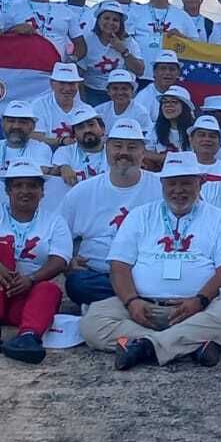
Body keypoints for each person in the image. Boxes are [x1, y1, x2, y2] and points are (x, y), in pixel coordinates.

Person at [79, 153, 221, 369]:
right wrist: (132, 302)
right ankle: (190, 343)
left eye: (186, 183)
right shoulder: (140, 215)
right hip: (144, 307)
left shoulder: (219, 218)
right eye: (172, 184)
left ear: (200, 183)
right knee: (93, 322)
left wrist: (200, 300)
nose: (179, 190)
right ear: (162, 184)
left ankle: (144, 345)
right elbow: (119, 266)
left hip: (200, 308)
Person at [0, 161, 72, 364]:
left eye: (32, 186)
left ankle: (28, 338)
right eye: (18, 186)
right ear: (8, 190)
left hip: (19, 296)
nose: (25, 191)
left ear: (42, 192)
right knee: (0, 250)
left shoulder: (55, 221)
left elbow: (60, 259)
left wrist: (31, 279)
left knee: (49, 290)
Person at [59, 120, 162, 306]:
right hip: (97, 274)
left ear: (142, 152)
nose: (124, 152)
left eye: (132, 147)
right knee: (77, 284)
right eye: (117, 146)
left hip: (145, 272)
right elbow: (59, 234)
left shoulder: (161, 187)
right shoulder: (82, 191)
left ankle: (122, 301)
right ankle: (137, 300)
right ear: (106, 148)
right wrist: (68, 260)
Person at [71, 1, 144, 105]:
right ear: (98, 20)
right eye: (106, 18)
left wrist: (123, 51)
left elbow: (140, 70)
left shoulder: (129, 42)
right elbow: (79, 75)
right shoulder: (88, 40)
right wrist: (83, 103)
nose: (110, 23)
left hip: (120, 91)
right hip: (93, 92)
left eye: (115, 20)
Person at [132, 0, 200, 73]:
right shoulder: (135, 11)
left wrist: (181, 37)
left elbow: (197, 46)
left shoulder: (182, 15)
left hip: (170, 76)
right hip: (140, 74)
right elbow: (126, 40)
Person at [0, 102, 54, 173]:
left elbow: (38, 175)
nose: (16, 126)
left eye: (22, 122)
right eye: (11, 121)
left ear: (32, 126)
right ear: (2, 124)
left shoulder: (41, 149)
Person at [31, 63, 94, 149]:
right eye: (62, 83)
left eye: (71, 83)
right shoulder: (39, 105)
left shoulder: (87, 110)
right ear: (52, 84)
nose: (67, 88)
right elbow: (35, 138)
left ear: (77, 85)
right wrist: (61, 141)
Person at [51, 107, 108, 185]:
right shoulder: (65, 151)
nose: (87, 130)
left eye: (91, 125)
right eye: (80, 127)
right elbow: (57, 167)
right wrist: (63, 167)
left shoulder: (114, 151)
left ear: (103, 129)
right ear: (74, 135)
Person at [133, 51, 183, 118]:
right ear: (154, 72)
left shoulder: (182, 94)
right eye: (163, 69)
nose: (167, 72)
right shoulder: (143, 97)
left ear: (178, 74)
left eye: (172, 69)